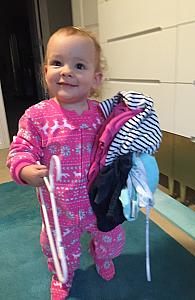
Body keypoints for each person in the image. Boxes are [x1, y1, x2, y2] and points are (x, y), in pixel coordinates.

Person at [6, 26, 125, 300]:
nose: (66, 71)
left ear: (96, 79)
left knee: (110, 235)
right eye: (57, 63)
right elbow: (21, 148)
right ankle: (63, 274)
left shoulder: (101, 114)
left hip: (99, 200)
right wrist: (24, 168)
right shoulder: (37, 116)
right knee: (59, 246)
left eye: (79, 65)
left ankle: (103, 256)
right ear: (45, 70)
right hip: (60, 208)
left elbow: (119, 144)